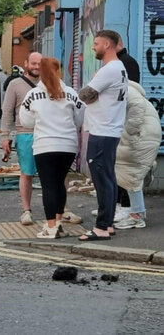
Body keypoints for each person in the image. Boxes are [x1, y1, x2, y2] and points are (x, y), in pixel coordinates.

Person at [18, 57, 85, 238]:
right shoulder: (71, 93)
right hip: (68, 145)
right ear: (59, 71)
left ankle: (50, 227)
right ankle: (59, 221)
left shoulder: (33, 94)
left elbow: (26, 121)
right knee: (59, 183)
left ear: (42, 72)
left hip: (45, 145)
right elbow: (79, 118)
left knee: (49, 186)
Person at [77, 30, 128, 241]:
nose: (93, 47)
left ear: (107, 45)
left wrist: (93, 85)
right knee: (107, 178)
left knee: (102, 180)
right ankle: (107, 225)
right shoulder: (119, 68)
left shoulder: (109, 70)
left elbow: (83, 95)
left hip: (103, 131)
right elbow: (91, 96)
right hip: (108, 130)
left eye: (96, 43)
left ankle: (101, 227)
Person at [0, 53, 40, 225]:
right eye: (33, 63)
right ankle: (26, 211)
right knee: (27, 174)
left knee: (53, 175)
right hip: (24, 134)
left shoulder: (49, 83)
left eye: (40, 63)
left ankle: (62, 211)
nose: (36, 66)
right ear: (26, 64)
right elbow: (7, 111)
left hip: (47, 134)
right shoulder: (15, 84)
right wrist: (5, 137)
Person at [113, 80, 159, 230]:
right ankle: (135, 212)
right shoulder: (126, 89)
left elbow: (136, 108)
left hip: (141, 137)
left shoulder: (126, 90)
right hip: (145, 135)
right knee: (130, 174)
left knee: (131, 175)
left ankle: (137, 217)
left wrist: (128, 134)